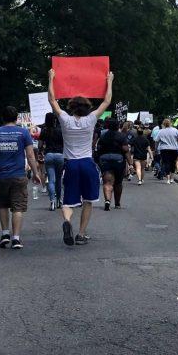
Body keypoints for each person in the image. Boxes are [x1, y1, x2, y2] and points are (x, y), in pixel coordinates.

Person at [48, 67, 112, 246]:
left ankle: (67, 222)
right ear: (87, 108)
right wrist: (110, 81)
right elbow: (106, 101)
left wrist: (51, 78)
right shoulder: (91, 119)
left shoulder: (66, 120)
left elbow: (52, 100)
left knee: (68, 200)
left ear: (71, 107)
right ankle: (81, 234)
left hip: (71, 164)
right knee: (88, 200)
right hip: (87, 163)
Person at [0, 106, 39, 250]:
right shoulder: (23, 133)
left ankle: (4, 234)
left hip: (2, 176)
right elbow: (30, 155)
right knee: (18, 207)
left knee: (2, 205)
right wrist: (35, 173)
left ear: (3, 118)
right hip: (19, 175)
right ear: (17, 118)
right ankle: (16, 238)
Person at [97, 118, 132, 209]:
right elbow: (125, 150)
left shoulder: (103, 136)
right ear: (117, 126)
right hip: (118, 160)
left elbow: (98, 148)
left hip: (105, 159)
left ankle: (107, 200)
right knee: (118, 183)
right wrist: (130, 164)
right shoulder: (121, 136)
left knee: (107, 182)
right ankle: (117, 203)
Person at [39, 111, 65, 210]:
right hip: (60, 155)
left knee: (51, 180)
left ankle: (52, 201)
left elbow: (40, 145)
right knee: (59, 180)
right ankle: (59, 200)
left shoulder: (44, 130)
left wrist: (41, 152)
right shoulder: (60, 130)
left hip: (49, 155)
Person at [156, 118, 178, 184]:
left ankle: (167, 179)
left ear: (164, 124)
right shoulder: (175, 130)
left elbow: (157, 140)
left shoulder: (161, 131)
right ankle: (172, 178)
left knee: (166, 163)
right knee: (173, 162)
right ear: (170, 123)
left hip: (164, 149)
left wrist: (157, 148)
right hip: (174, 148)